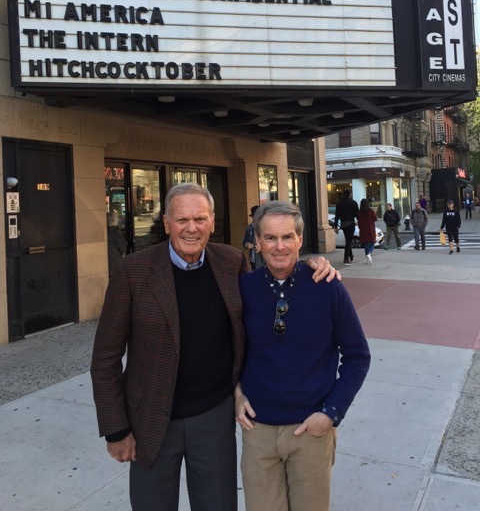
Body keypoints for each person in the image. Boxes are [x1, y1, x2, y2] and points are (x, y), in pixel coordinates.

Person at [91, 183, 338, 511]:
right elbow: (106, 356)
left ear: (212, 221)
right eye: (182, 220)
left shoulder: (231, 262)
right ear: (166, 223)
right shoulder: (132, 271)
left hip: (214, 416)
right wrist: (116, 429)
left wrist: (311, 267)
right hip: (151, 420)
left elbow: (268, 291)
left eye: (200, 219)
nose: (191, 228)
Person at [235, 201, 370, 511]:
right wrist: (236, 392)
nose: (279, 246)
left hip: (311, 431)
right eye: (270, 238)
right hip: (258, 432)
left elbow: (357, 356)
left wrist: (331, 412)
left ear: (299, 240)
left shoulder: (327, 287)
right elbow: (227, 349)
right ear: (257, 241)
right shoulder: (242, 288)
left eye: (287, 237)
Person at [334, 189, 359, 265]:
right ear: (350, 194)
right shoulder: (353, 203)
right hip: (351, 223)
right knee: (348, 241)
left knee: (348, 240)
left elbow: (337, 215)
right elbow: (357, 214)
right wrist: (359, 222)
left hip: (343, 224)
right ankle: (346, 258)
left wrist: (336, 226)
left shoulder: (339, 203)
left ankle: (351, 256)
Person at [107, 210, 127, 276]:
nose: (118, 220)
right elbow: (123, 244)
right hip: (114, 260)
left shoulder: (107, 230)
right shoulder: (113, 231)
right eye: (117, 218)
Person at [357, 198, 377, 264]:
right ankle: (370, 253)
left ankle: (367, 257)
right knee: (372, 242)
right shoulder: (370, 211)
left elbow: (359, 221)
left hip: (363, 229)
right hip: (370, 228)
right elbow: (375, 218)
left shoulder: (360, 212)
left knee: (366, 243)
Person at [243, 205, 263, 269]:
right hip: (253, 258)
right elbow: (245, 241)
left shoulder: (265, 227)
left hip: (264, 258)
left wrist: (261, 247)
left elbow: (271, 241)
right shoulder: (249, 228)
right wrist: (247, 244)